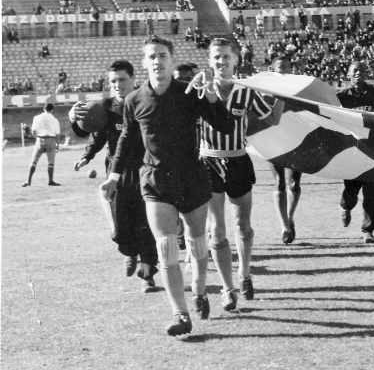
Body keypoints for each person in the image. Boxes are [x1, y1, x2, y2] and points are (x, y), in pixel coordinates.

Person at [100, 36, 235, 336]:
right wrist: (114, 176)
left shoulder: (189, 92)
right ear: (145, 63)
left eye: (162, 55)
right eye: (152, 57)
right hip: (156, 181)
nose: (157, 61)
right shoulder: (135, 100)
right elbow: (126, 140)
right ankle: (180, 314)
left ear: (172, 61)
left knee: (198, 246)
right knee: (166, 248)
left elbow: (225, 125)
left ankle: (199, 292)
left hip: (192, 179)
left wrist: (211, 94)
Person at [69, 60, 158, 292]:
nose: (118, 85)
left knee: (145, 222)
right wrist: (85, 152)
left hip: (145, 170)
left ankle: (148, 273)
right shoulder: (104, 108)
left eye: (122, 80)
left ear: (132, 79)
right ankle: (129, 252)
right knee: (120, 227)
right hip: (116, 175)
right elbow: (93, 134)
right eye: (113, 81)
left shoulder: (145, 101)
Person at [200, 38, 274, 310]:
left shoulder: (247, 91)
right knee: (216, 229)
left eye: (226, 57)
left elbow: (271, 116)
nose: (221, 62)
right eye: (216, 57)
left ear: (236, 60)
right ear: (210, 61)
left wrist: (287, 98)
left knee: (243, 226)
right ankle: (227, 288)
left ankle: (245, 275)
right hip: (208, 162)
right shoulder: (199, 90)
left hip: (238, 161)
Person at [337, 61, 374, 244]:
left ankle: (368, 230)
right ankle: (346, 206)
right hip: (351, 150)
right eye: (355, 71)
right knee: (351, 189)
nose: (358, 73)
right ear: (349, 75)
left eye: (362, 70)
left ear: (367, 74)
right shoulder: (340, 96)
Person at [267, 55, 303, 244]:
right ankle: (285, 227)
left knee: (294, 184)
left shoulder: (297, 90)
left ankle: (290, 218)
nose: (285, 71)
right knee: (280, 182)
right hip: (272, 141)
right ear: (272, 69)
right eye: (281, 67)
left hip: (295, 141)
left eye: (288, 67)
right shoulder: (263, 90)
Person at [21, 103, 61, 187]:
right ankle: (50, 181)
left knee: (34, 161)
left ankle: (28, 180)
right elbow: (57, 134)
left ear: (44, 109)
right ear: (52, 110)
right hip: (51, 139)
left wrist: (38, 139)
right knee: (51, 162)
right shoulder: (54, 119)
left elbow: (33, 131)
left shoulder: (37, 117)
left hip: (40, 139)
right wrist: (57, 144)